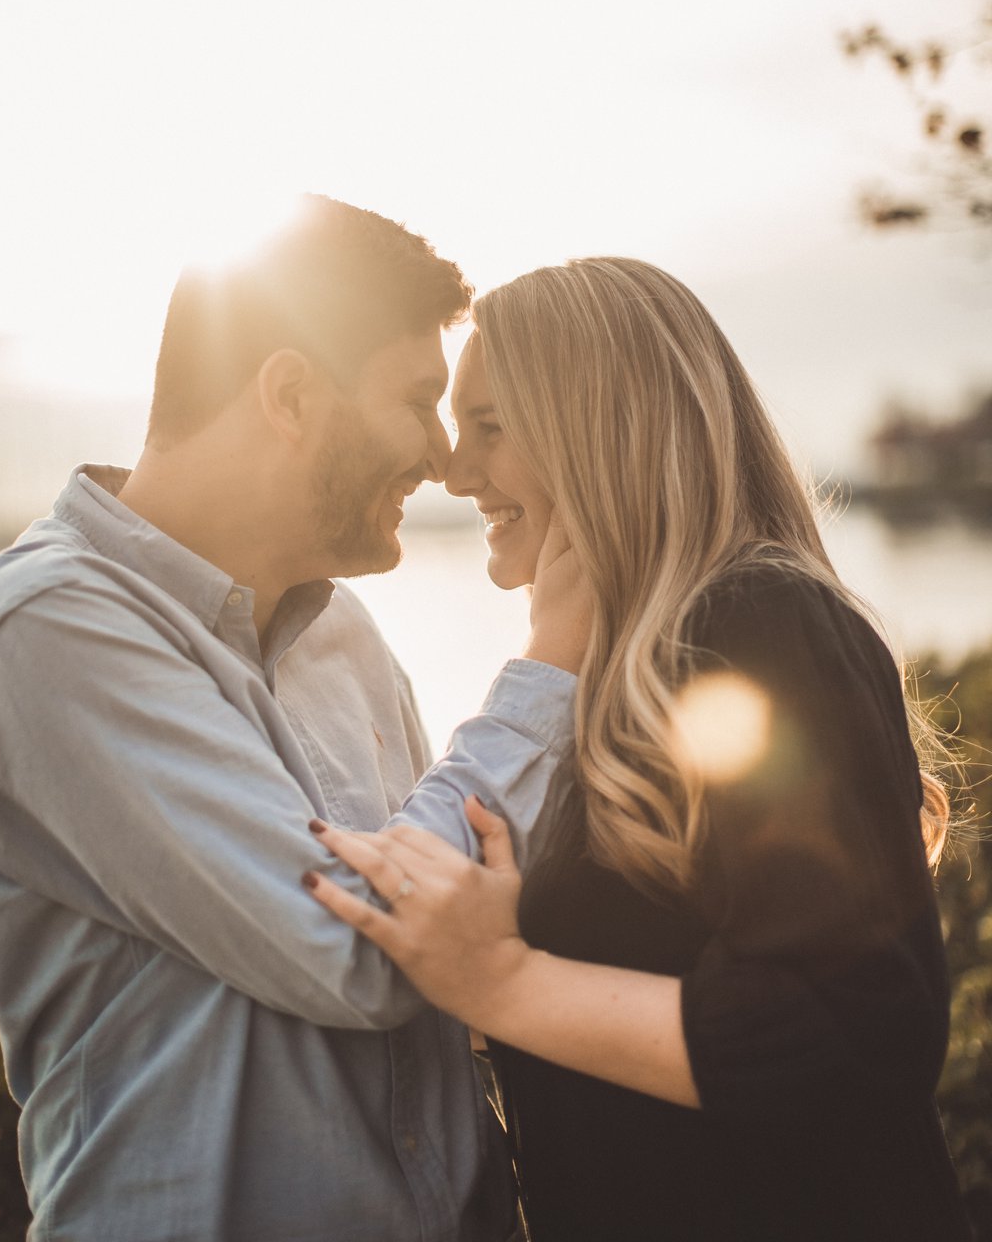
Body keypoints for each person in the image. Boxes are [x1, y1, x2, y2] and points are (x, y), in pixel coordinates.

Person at [306, 256, 972, 1242]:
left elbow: (849, 1033)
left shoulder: (760, 623)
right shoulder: (619, 674)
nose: (452, 468)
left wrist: (503, 982)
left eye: (490, 425)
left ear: (599, 433)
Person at [0, 197, 586, 1242]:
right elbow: (369, 945)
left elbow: (472, 908)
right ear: (292, 394)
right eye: (417, 401)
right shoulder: (48, 631)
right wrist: (552, 668)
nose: (441, 456)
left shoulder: (342, 631)